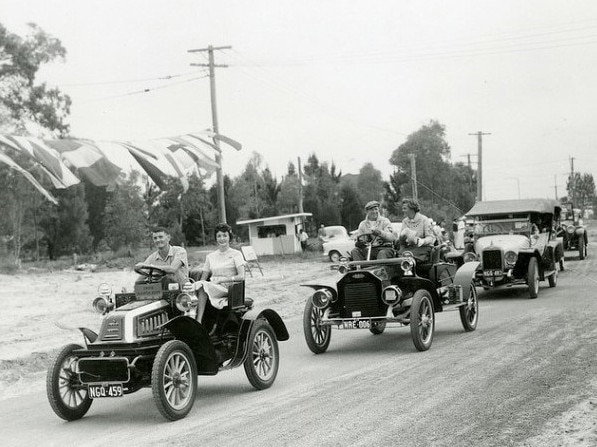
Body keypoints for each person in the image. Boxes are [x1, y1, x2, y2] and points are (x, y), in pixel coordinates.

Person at [188, 223, 246, 324]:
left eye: (224, 235)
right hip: (213, 286)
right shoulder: (210, 256)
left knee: (202, 286)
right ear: (216, 238)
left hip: (229, 288)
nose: (222, 238)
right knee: (194, 286)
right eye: (219, 236)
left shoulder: (236, 254)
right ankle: (189, 317)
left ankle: (198, 321)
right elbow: (203, 278)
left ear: (229, 237)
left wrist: (223, 279)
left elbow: (241, 276)